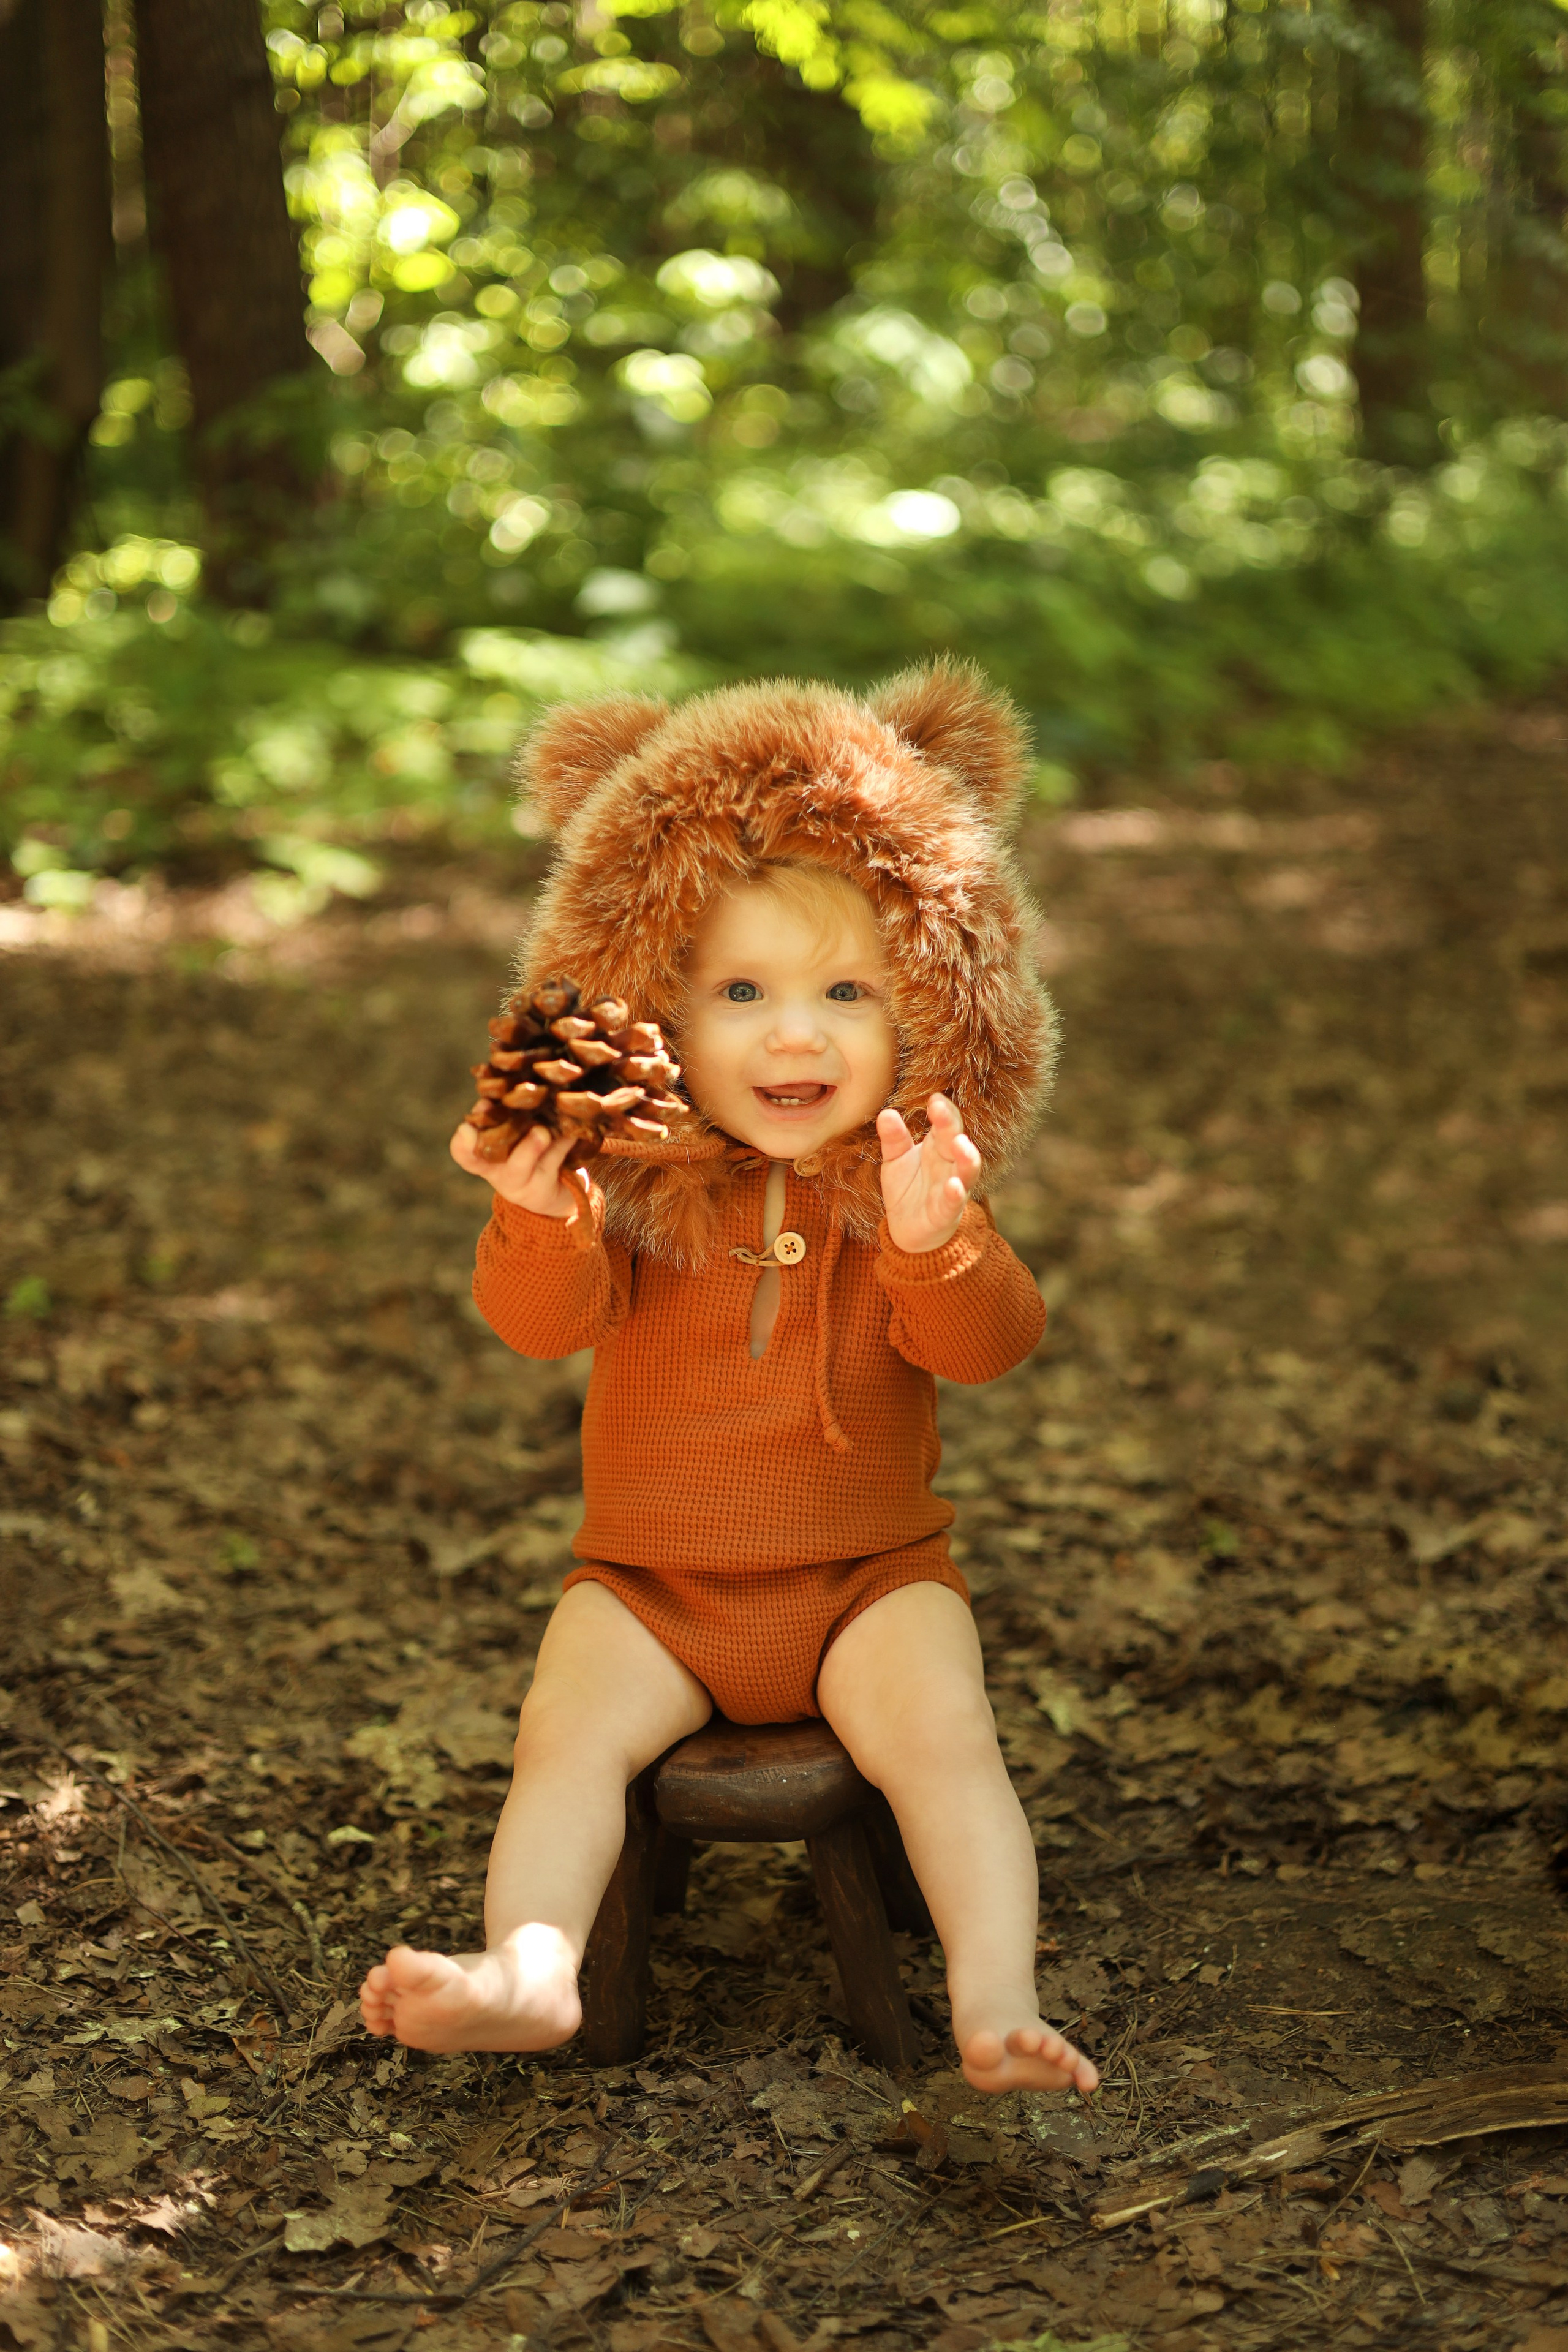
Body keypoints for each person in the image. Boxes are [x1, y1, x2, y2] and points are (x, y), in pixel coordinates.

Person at [360, 662, 1098, 2099]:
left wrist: (933, 1245)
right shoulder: (624, 1191)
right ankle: (528, 1969)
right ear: (653, 1013)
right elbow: (536, 1321)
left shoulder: (906, 1190)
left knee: (946, 1741)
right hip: (651, 1590)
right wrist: (535, 1210)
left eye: (847, 992)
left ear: (931, 1012)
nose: (795, 1034)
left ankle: (995, 2002)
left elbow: (992, 1346)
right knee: (562, 1738)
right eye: (739, 992)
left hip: (866, 1582)